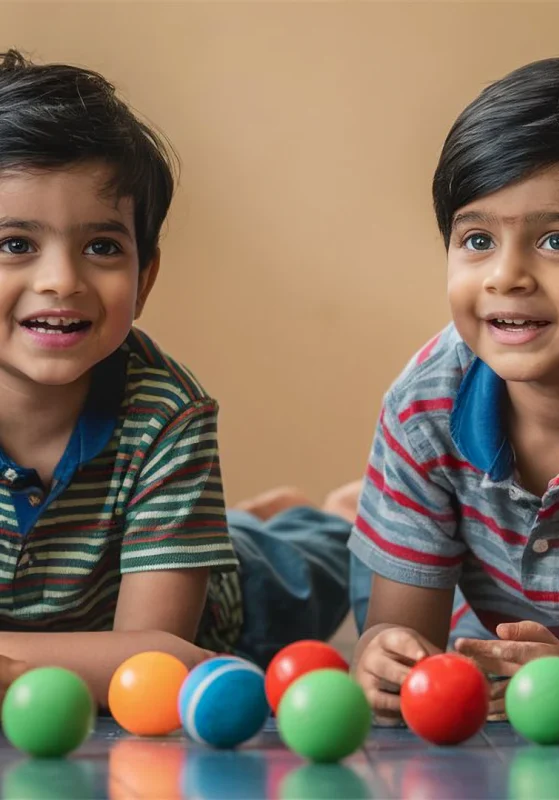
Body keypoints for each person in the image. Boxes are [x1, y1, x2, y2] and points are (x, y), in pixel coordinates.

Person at [0, 49, 349, 706]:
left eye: (102, 247)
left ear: (146, 277)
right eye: (16, 244)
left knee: (318, 563)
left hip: (238, 611)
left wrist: (15, 667)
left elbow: (157, 660)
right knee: (216, 537)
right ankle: (240, 523)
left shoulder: (165, 412)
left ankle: (325, 517)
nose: (61, 281)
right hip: (121, 596)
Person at [349, 56, 559, 721]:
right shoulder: (426, 402)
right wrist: (384, 657)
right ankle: (333, 521)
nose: (506, 276)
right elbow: (402, 635)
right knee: (308, 570)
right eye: (478, 239)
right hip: (470, 613)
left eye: (556, 240)